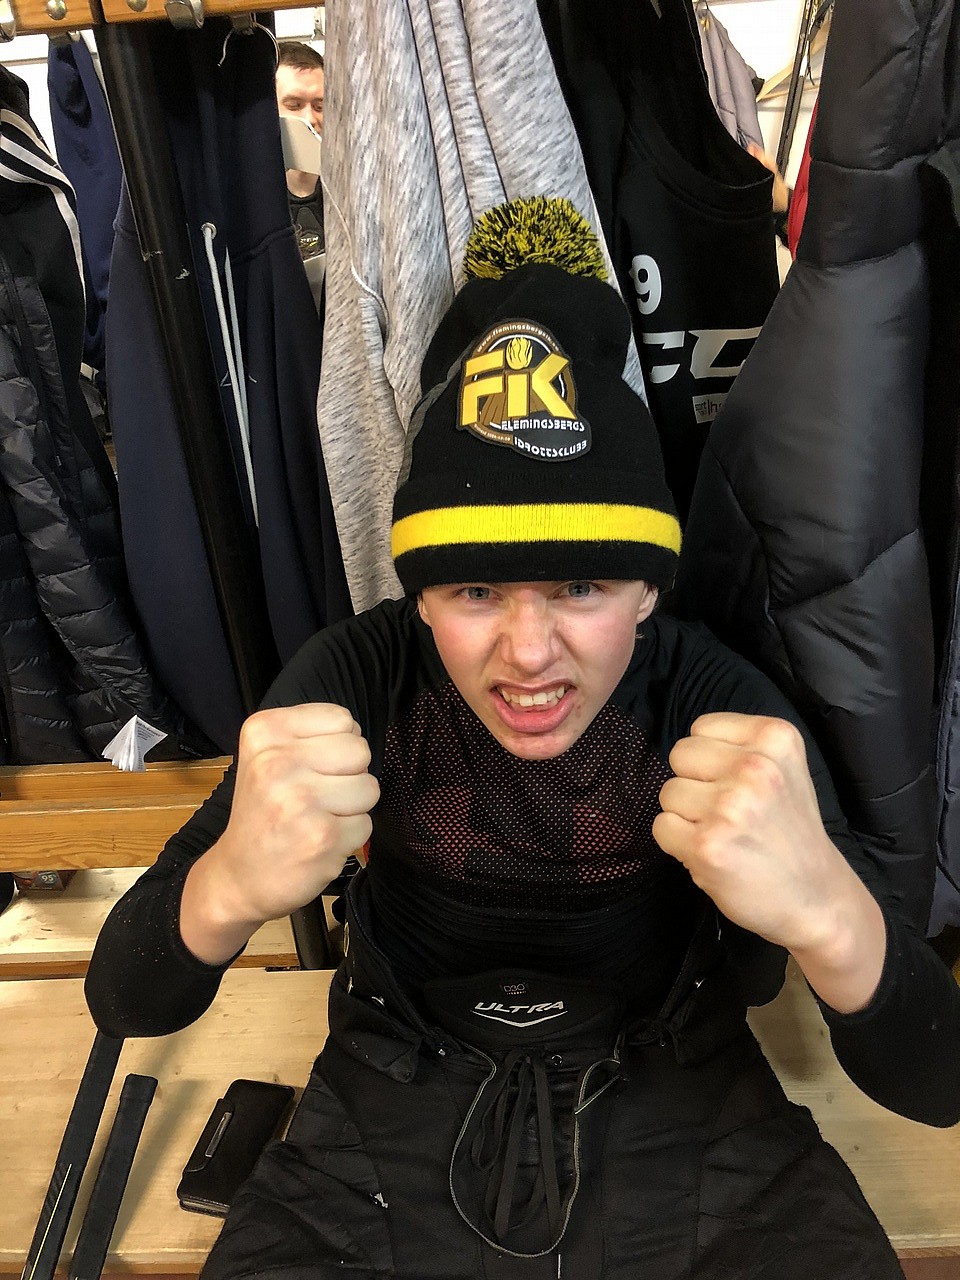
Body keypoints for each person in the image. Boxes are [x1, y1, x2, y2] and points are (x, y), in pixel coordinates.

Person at [86, 197, 960, 1279]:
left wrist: (829, 912)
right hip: (387, 1103)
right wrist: (226, 883)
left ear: (649, 589)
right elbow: (123, 999)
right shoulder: (355, 681)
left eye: (581, 585)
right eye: (477, 588)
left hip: (681, 1095)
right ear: (418, 595)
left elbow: (937, 1082)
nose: (530, 653)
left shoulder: (713, 701)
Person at [275, 40, 324, 258]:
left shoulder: (350, 189)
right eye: (294, 105)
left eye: (319, 106)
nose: (309, 118)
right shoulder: (254, 196)